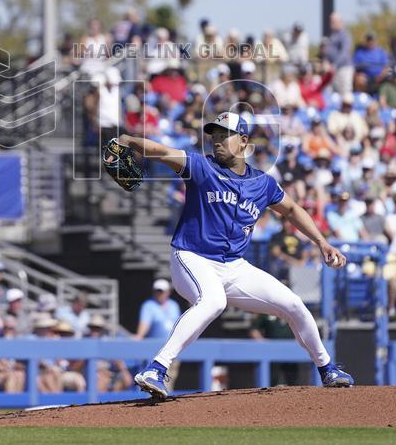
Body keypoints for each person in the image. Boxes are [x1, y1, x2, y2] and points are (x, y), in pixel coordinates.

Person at [116, 111, 353, 399]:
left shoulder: (263, 183)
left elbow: (291, 209)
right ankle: (156, 368)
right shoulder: (202, 167)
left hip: (234, 267)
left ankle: (327, 370)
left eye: (223, 135)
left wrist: (322, 242)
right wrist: (129, 139)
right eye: (213, 135)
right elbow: (163, 152)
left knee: (293, 304)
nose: (216, 141)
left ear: (243, 141)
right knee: (214, 301)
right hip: (191, 257)